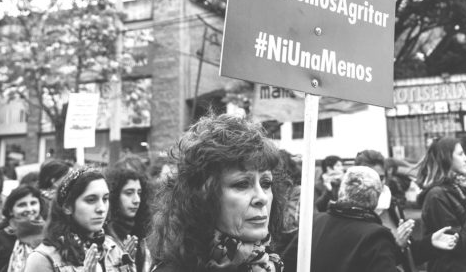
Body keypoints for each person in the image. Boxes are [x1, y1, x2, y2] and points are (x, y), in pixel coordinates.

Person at [149, 113, 285, 272]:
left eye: (266, 183)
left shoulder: (267, 264)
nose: (262, 198)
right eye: (242, 184)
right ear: (202, 197)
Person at [311, 166, 458, 272]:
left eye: (382, 177)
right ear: (375, 197)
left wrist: (429, 243)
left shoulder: (314, 222)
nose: (382, 184)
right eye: (377, 180)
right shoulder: (376, 233)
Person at [24, 167, 129, 272]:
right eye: (91, 200)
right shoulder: (43, 258)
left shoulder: (112, 247)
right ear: (67, 207)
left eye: (105, 199)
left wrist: (128, 267)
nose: (101, 208)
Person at [417, 137, 466, 272]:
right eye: (461, 154)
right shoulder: (436, 196)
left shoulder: (459, 191)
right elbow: (458, 243)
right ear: (447, 159)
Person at [0, 185, 46, 272]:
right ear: (10, 210)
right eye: (22, 205)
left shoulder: (50, 236)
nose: (29, 209)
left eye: (33, 203)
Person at [105, 168, 152, 272]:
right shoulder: (104, 236)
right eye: (129, 193)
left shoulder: (144, 233)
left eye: (139, 193)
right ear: (115, 196)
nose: (137, 200)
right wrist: (125, 265)